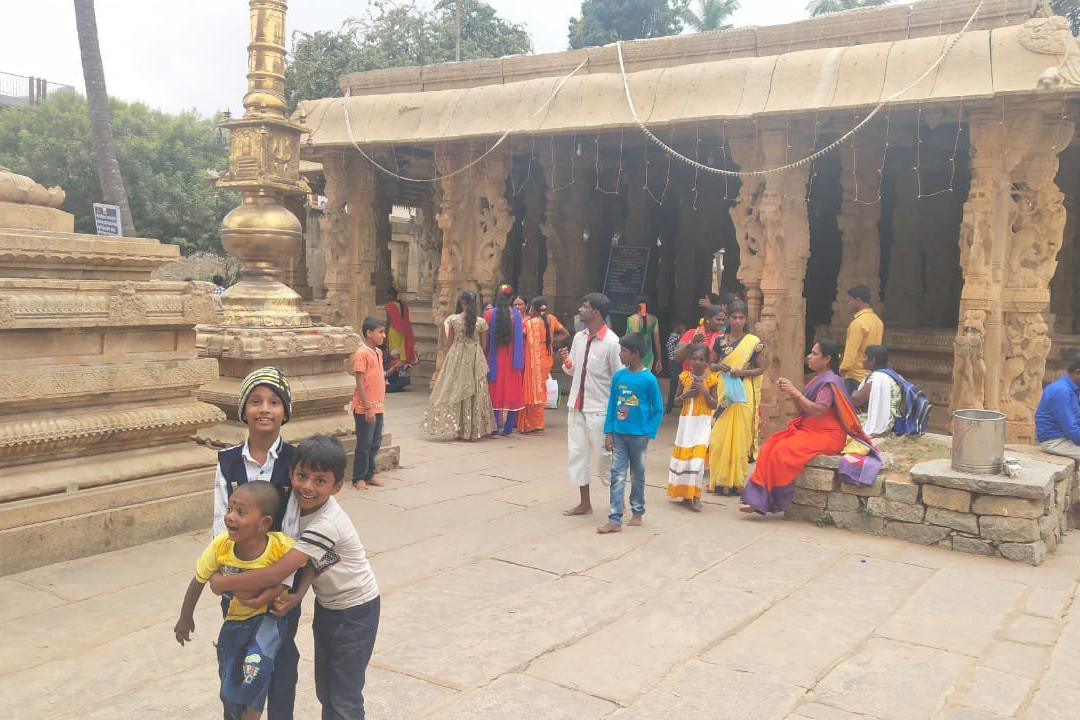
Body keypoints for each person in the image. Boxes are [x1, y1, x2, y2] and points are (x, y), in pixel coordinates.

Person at [209, 435, 381, 720]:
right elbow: (322, 560)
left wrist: (221, 583)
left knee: (344, 699)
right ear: (291, 474)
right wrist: (298, 595)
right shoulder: (298, 509)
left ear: (337, 486)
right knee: (327, 690)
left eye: (320, 480)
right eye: (302, 476)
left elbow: (278, 571)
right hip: (329, 608)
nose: (308, 486)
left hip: (355, 612)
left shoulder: (327, 522)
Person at [211, 366, 304, 720]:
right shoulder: (227, 462)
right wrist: (231, 583)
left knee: (279, 664)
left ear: (285, 412)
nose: (265, 409)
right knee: (235, 662)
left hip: (280, 593)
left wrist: (279, 585)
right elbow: (218, 524)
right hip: (237, 591)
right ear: (243, 410)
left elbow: (294, 529)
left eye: (274, 401)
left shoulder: (295, 463)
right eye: (255, 401)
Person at [175, 482, 300, 720]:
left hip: (269, 619)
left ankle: (252, 714)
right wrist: (185, 616)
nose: (230, 517)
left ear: (264, 523)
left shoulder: (280, 546)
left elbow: (313, 559)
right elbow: (199, 580)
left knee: (257, 666)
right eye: (230, 509)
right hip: (234, 621)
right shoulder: (221, 546)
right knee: (229, 685)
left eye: (240, 512)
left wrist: (289, 593)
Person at [740, 339, 880, 515]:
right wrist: (791, 393)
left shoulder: (830, 382)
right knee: (769, 445)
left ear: (827, 359)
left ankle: (765, 500)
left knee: (781, 450)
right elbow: (805, 409)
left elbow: (819, 411)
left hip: (828, 435)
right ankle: (757, 498)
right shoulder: (819, 379)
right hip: (812, 429)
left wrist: (795, 392)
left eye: (814, 353)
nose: (809, 357)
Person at [558, 292, 623, 516]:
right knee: (577, 454)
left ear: (596, 311)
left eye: (584, 306)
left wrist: (617, 416)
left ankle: (618, 500)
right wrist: (567, 362)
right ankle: (584, 503)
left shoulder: (613, 343)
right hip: (576, 406)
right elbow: (573, 368)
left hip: (600, 409)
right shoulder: (579, 337)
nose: (580, 310)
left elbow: (619, 379)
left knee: (605, 457)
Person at [599, 333, 664, 533]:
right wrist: (608, 431)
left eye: (624, 351)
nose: (620, 354)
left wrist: (648, 433)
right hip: (619, 433)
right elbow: (612, 404)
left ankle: (638, 511)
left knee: (637, 475)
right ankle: (615, 518)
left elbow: (658, 409)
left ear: (635, 354)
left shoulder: (648, 379)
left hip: (638, 437)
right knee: (617, 474)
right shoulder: (619, 376)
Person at [421, 290, 497, 440]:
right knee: (475, 391)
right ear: (475, 303)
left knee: (455, 388)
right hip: (475, 356)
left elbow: (449, 343)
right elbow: (483, 345)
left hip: (456, 356)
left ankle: (459, 428)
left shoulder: (453, 320)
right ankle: (472, 430)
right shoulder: (481, 322)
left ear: (462, 303)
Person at [708, 300, 765, 496]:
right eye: (734, 317)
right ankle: (718, 481)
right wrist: (719, 367)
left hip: (743, 393)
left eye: (741, 317)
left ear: (746, 319)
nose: (737, 321)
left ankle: (736, 483)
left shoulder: (753, 343)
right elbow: (711, 364)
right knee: (719, 438)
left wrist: (742, 372)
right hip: (725, 392)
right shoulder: (720, 341)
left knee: (740, 438)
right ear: (729, 318)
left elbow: (760, 368)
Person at [667, 344, 718, 511]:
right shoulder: (684, 377)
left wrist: (704, 390)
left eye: (701, 359)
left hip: (702, 424)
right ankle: (685, 495)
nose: (697, 362)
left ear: (707, 362)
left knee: (697, 462)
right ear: (689, 361)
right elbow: (675, 401)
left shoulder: (712, 379)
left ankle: (696, 496)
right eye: (694, 359)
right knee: (685, 461)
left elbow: (713, 404)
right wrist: (685, 394)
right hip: (686, 423)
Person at [518, 296, 570, 434]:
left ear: (533, 308)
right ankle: (538, 423)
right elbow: (565, 333)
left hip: (535, 360)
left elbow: (520, 335)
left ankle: (533, 424)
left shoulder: (532, 323)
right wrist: (551, 342)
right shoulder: (552, 319)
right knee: (541, 389)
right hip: (547, 357)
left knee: (533, 389)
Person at [485, 285, 526, 436]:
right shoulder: (517, 315)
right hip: (512, 360)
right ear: (511, 298)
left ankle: (495, 427)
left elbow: (486, 337)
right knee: (512, 391)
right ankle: (508, 428)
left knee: (495, 391)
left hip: (494, 358)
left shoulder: (490, 314)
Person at [350, 317, 387, 490]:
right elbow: (360, 381)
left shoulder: (378, 353)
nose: (383, 335)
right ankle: (358, 477)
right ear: (368, 333)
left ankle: (370, 473)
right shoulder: (361, 353)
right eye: (380, 332)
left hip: (379, 405)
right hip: (365, 407)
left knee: (375, 442)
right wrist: (367, 408)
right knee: (364, 444)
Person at [840, 285, 884, 395]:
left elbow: (850, 353)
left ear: (858, 300)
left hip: (855, 377)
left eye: (851, 300)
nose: (849, 303)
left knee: (849, 411)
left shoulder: (858, 324)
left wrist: (842, 372)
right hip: (871, 376)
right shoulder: (878, 321)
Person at [850, 345, 903, 437]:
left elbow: (855, 400)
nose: (862, 360)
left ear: (872, 360)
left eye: (865, 357)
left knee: (843, 420)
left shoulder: (876, 377)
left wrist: (854, 392)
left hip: (882, 423)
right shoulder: (894, 375)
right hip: (893, 421)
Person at [673, 305, 724, 372]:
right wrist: (692, 342)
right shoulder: (692, 333)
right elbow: (677, 357)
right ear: (708, 319)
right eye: (718, 319)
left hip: (711, 379)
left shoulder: (722, 337)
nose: (721, 323)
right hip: (689, 378)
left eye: (723, 320)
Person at [625, 294, 663, 374]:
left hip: (633, 355)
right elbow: (657, 341)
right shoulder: (654, 320)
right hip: (648, 356)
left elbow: (627, 340)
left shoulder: (632, 319)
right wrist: (659, 359)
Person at [384, 287, 418, 364]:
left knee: (394, 353)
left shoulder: (389, 306)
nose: (385, 297)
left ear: (391, 295)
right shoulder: (404, 304)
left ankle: (396, 370)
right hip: (404, 331)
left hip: (393, 332)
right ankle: (403, 369)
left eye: (386, 295)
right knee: (402, 352)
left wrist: (385, 334)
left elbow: (388, 321)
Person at [664, 321, 688, 414]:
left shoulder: (674, 336)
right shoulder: (675, 336)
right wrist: (682, 332)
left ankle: (671, 408)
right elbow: (680, 345)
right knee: (675, 384)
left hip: (676, 362)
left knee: (678, 385)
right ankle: (670, 408)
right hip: (675, 362)